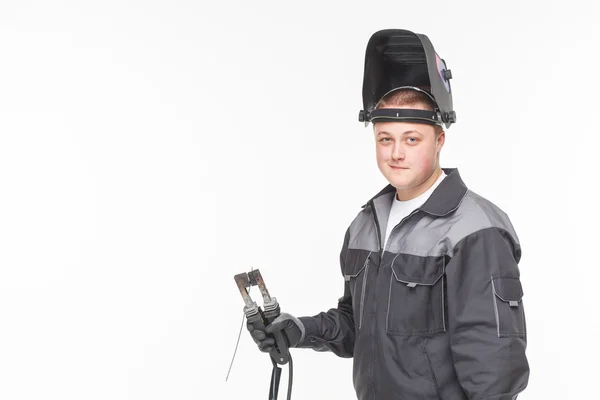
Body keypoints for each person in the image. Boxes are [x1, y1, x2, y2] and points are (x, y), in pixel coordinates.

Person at [247, 30, 529, 400]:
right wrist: (301, 329)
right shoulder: (366, 224)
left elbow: (492, 365)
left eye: (411, 139)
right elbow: (356, 326)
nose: (396, 153)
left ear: (439, 140)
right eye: (385, 139)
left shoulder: (475, 230)